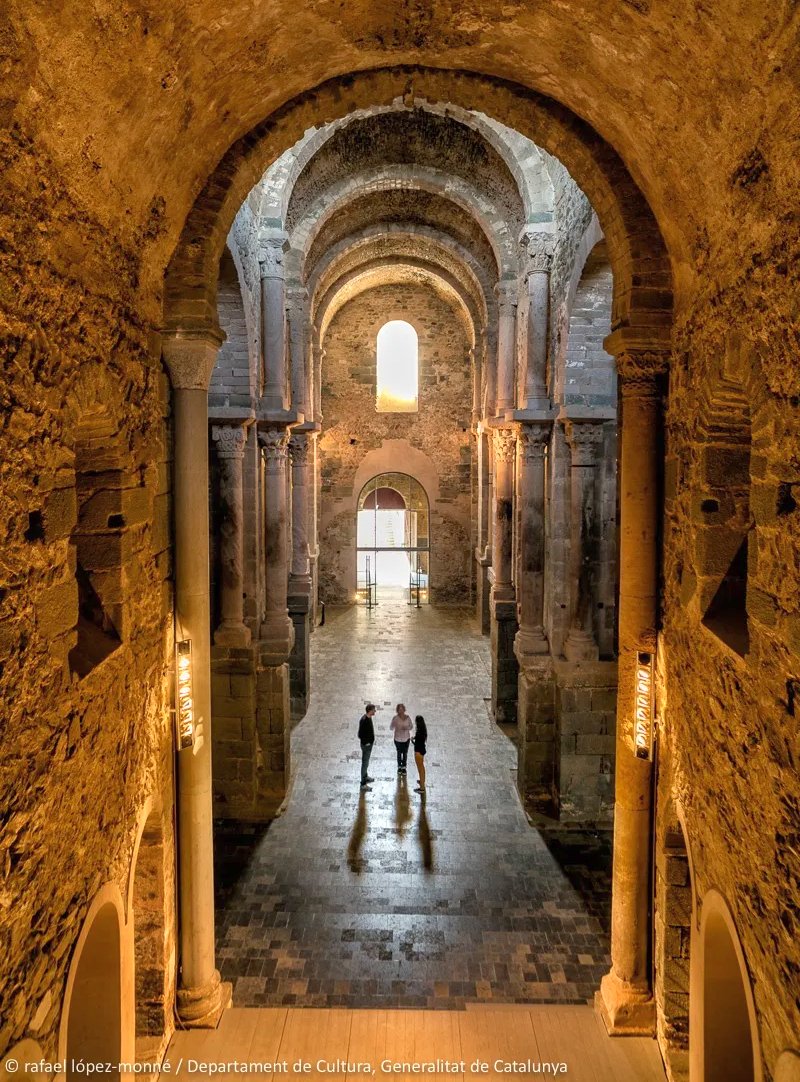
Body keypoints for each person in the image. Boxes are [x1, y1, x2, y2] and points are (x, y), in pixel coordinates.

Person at [390, 703, 413, 775]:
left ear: (404, 709)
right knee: (399, 753)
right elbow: (391, 728)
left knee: (405, 753)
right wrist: (394, 724)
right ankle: (399, 767)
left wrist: (406, 728)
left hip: (406, 738)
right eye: (399, 709)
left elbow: (411, 726)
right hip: (398, 739)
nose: (401, 711)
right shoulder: (395, 718)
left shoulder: (408, 718)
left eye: (402, 709)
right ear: (397, 710)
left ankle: (404, 767)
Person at [358, 704, 376, 790]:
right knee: (364, 764)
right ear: (370, 711)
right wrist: (367, 743)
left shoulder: (369, 718)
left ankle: (365, 776)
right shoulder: (364, 720)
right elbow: (360, 734)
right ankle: (363, 783)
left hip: (369, 744)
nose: (375, 711)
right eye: (373, 710)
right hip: (366, 745)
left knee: (366, 762)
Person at [413, 714, 428, 793]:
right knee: (422, 768)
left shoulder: (419, 732)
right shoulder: (423, 730)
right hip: (422, 749)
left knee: (420, 769)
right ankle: (422, 781)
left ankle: (421, 787)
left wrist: (413, 740)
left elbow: (417, 742)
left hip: (418, 751)